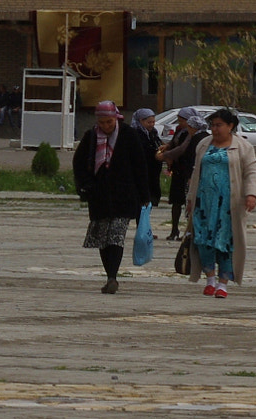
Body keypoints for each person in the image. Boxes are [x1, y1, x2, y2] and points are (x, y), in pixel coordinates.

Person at [72, 101, 159, 295]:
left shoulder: (128, 135)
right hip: (99, 195)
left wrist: (145, 195)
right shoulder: (91, 137)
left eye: (109, 122)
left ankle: (113, 276)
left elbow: (140, 166)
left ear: (116, 118)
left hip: (125, 195)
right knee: (103, 238)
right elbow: (79, 163)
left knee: (116, 236)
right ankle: (110, 275)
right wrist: (85, 186)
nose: (106, 126)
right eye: (102, 122)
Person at [185, 107, 256, 298]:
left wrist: (251, 194)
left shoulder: (243, 147)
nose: (215, 129)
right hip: (204, 203)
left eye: (219, 125)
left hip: (229, 205)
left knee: (226, 242)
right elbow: (196, 172)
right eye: (212, 125)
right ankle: (210, 279)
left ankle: (223, 284)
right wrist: (190, 199)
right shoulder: (203, 144)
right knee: (203, 240)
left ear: (230, 126)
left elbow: (251, 171)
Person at [160, 111, 206, 240]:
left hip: (189, 172)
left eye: (182, 120)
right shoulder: (181, 131)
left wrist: (165, 156)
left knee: (189, 202)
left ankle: (189, 231)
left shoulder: (196, 137)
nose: (180, 123)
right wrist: (168, 148)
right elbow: (174, 143)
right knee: (177, 201)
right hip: (180, 170)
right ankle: (175, 230)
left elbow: (183, 150)